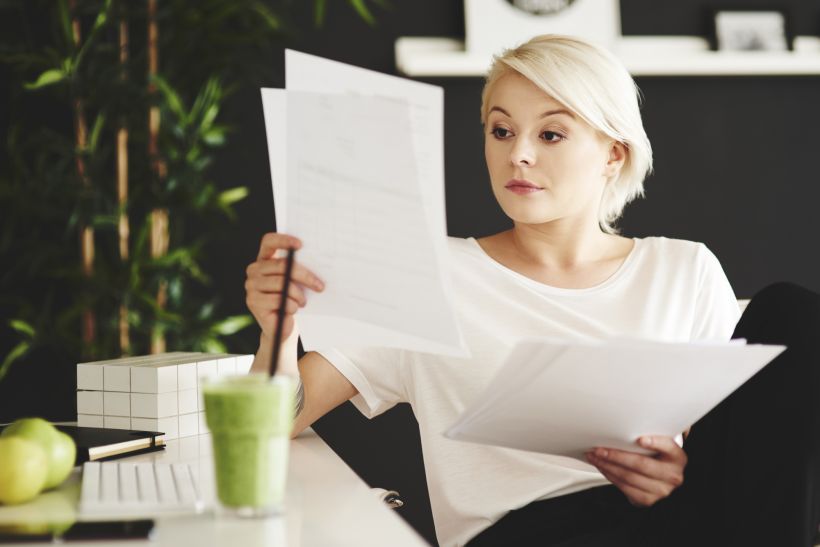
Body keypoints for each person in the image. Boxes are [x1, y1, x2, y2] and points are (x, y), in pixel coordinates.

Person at [244, 35, 820, 547]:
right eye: (501, 130)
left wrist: (674, 472)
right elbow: (269, 430)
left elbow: (738, 462)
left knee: (790, 312)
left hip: (667, 524)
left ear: (612, 153)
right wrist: (279, 330)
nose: (518, 153)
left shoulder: (684, 268)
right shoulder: (434, 272)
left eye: (550, 133)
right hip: (522, 533)